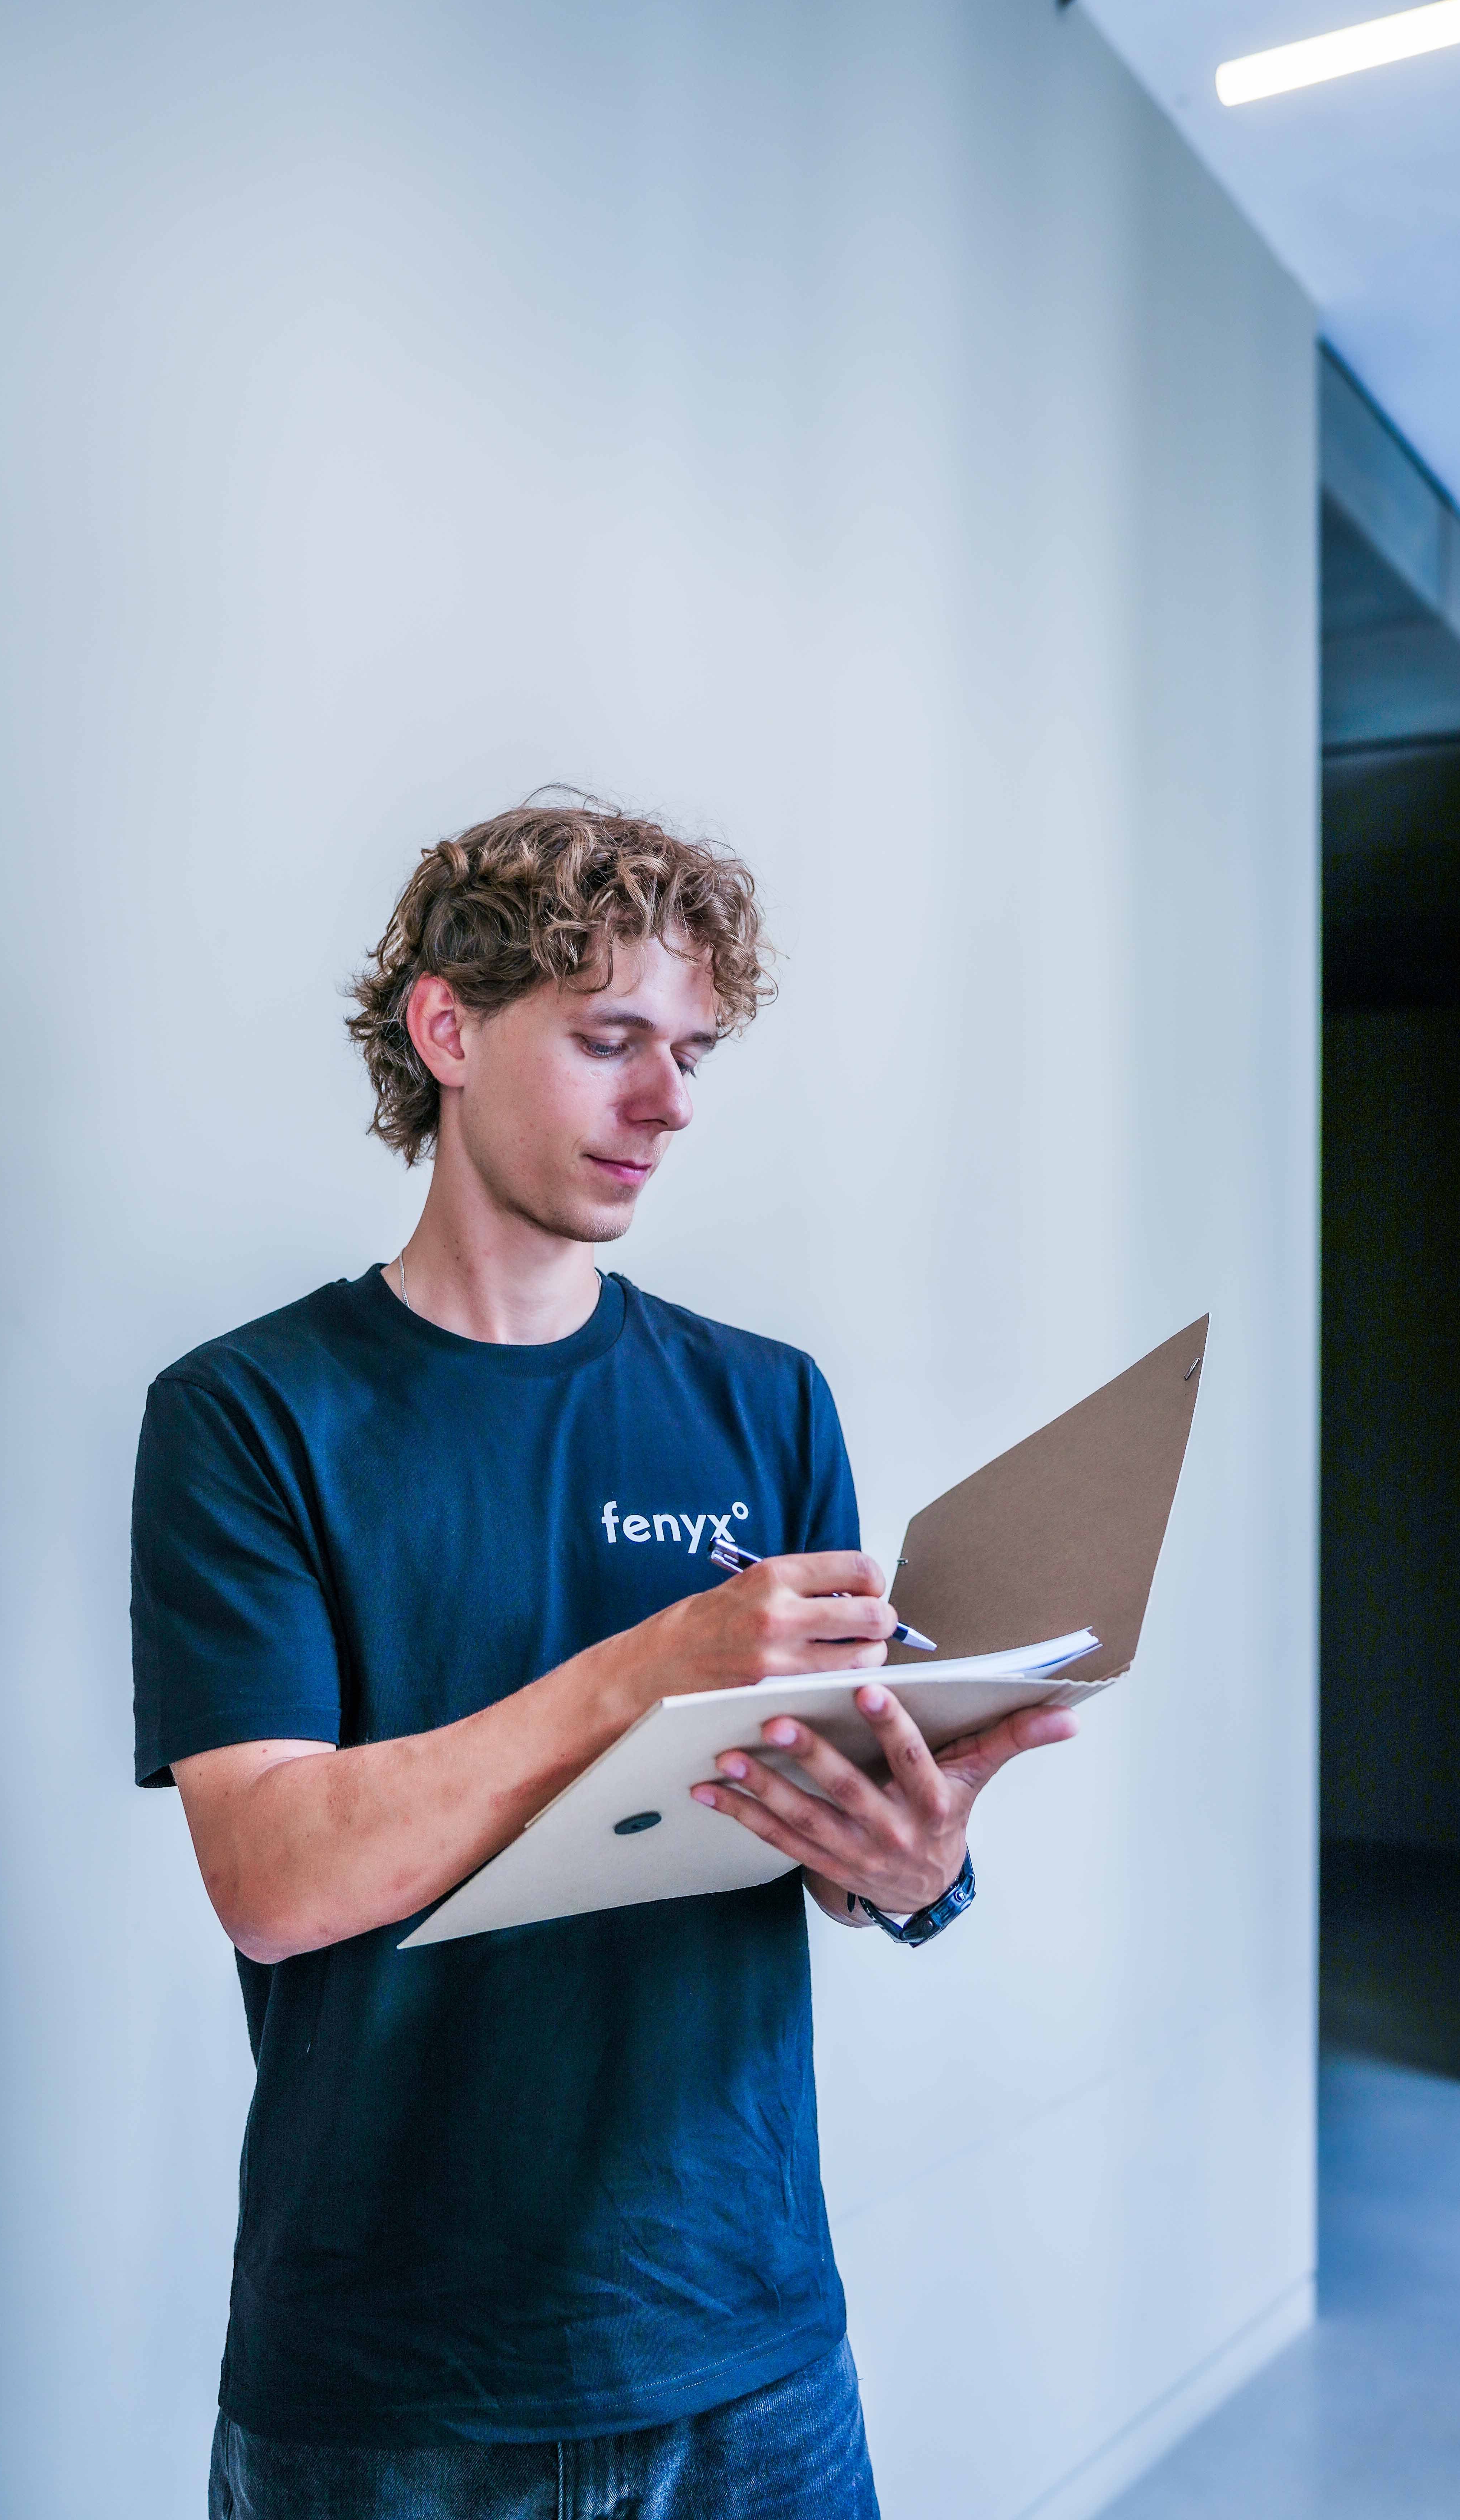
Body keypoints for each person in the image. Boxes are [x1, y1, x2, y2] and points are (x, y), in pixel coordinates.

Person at [132, 796, 1078, 2520]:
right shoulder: (248, 1417)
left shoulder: (765, 1401)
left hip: (751, 2351)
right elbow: (270, 1877)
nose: (670, 1105)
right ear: (448, 1031)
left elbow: (820, 1807)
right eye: (611, 1041)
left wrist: (912, 1869)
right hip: (395, 2384)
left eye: (694, 1051)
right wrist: (647, 1665)